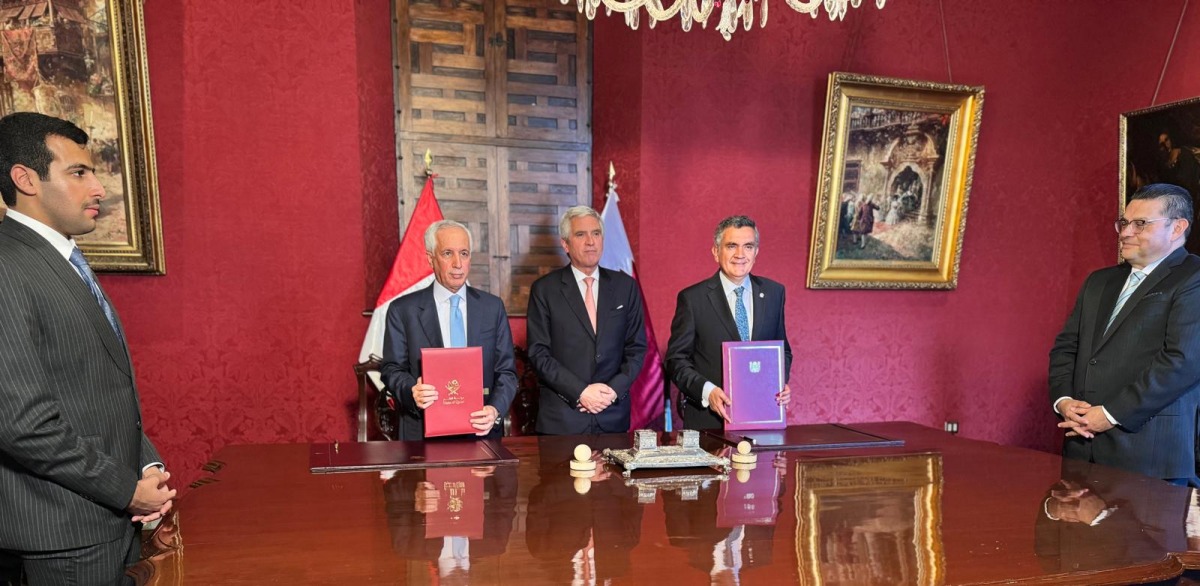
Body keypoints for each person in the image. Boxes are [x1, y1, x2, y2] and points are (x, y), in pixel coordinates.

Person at [0, 112, 175, 584]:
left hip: (106, 521)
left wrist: (147, 465)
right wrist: (126, 489)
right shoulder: (6, 265)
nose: (99, 188)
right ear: (25, 179)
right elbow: (22, 426)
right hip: (63, 534)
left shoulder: (62, 258)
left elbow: (98, 392)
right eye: (79, 173)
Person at [1049, 183, 1200, 485]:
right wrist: (1064, 401)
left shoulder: (1192, 278)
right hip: (1081, 447)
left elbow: (1182, 361)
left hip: (1149, 457)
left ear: (1177, 228)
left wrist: (1110, 413)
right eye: (1124, 222)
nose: (1126, 232)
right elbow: (1067, 346)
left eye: (1140, 224)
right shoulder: (1099, 281)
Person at [380, 220, 517, 440]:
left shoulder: (492, 307)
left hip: (482, 432)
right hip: (422, 434)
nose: (457, 263)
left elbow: (507, 372)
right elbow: (391, 369)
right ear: (430, 259)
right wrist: (411, 391)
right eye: (447, 253)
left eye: (464, 253)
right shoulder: (402, 310)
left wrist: (495, 410)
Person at [526, 205, 647, 435]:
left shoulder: (626, 287)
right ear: (565, 244)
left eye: (596, 233)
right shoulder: (545, 290)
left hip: (613, 416)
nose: (590, 241)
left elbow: (637, 348)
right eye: (581, 235)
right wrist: (580, 392)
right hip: (563, 420)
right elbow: (538, 353)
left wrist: (613, 391)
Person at [665, 215, 792, 430]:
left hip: (762, 418)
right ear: (716, 252)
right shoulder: (693, 299)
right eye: (732, 246)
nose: (740, 254)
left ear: (756, 252)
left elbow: (783, 352)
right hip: (708, 423)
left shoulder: (773, 293)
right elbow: (675, 361)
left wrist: (779, 382)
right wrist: (708, 391)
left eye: (748, 246)